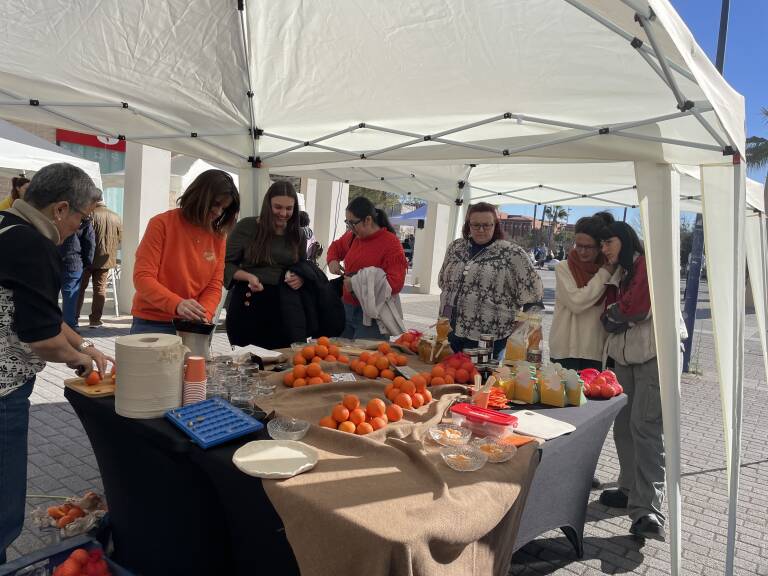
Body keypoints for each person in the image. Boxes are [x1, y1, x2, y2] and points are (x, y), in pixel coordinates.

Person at [0, 163, 110, 565]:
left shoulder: (6, 224)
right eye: (83, 217)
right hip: (3, 392)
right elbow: (41, 338)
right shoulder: (34, 245)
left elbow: (40, 313)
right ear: (61, 209)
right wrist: (81, 360)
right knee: (3, 512)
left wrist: (83, 343)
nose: (80, 227)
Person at [597, 221, 666, 542]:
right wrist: (615, 313)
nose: (604, 250)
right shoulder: (622, 271)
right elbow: (609, 313)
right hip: (624, 358)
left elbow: (634, 309)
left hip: (653, 357)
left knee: (646, 429)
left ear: (624, 239)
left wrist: (616, 313)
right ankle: (627, 490)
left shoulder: (648, 265)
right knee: (623, 425)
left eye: (608, 242)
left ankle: (648, 510)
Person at [225, 181, 342, 347]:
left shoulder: (298, 234)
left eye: (289, 208)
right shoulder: (246, 227)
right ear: (267, 205)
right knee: (248, 362)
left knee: (282, 361)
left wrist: (300, 277)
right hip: (248, 303)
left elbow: (301, 266)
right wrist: (248, 276)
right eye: (278, 207)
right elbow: (225, 265)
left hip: (285, 307)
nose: (283, 213)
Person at [131, 170, 239, 335]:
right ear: (200, 195)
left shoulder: (218, 237)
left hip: (192, 324)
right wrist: (177, 304)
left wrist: (204, 314)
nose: (218, 212)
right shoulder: (161, 224)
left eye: (224, 208)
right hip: (153, 322)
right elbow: (143, 278)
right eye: (216, 204)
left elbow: (214, 285)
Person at [438, 202, 543, 361]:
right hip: (449, 329)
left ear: (496, 225)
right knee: (447, 377)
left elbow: (534, 296)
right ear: (468, 225)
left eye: (487, 225)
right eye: (476, 225)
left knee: (479, 381)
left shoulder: (512, 253)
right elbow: (443, 282)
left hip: (488, 337)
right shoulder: (455, 248)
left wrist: (517, 328)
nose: (481, 230)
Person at [327, 196, 408, 340]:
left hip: (372, 316)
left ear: (368, 220)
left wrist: (357, 283)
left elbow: (395, 284)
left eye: (352, 223)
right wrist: (332, 260)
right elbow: (336, 247)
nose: (350, 228)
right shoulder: (352, 236)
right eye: (347, 223)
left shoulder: (391, 244)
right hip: (346, 309)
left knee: (364, 360)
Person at [549, 212, 615, 371]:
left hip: (594, 350)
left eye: (588, 247)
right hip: (565, 349)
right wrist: (604, 274)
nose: (582, 251)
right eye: (579, 245)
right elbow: (576, 302)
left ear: (600, 246)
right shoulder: (564, 267)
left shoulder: (610, 267)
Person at [76, 201, 122, 328]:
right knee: (100, 289)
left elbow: (81, 236)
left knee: (80, 288)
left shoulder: (90, 214)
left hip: (87, 258)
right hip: (105, 260)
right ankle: (95, 320)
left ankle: (74, 318)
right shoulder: (116, 216)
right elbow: (120, 238)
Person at [59, 217, 95, 331]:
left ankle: (50, 325)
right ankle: (70, 327)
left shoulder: (54, 215)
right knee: (71, 295)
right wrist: (87, 263)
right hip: (74, 262)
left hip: (53, 260)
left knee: (50, 295)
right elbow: (89, 244)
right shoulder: (83, 220)